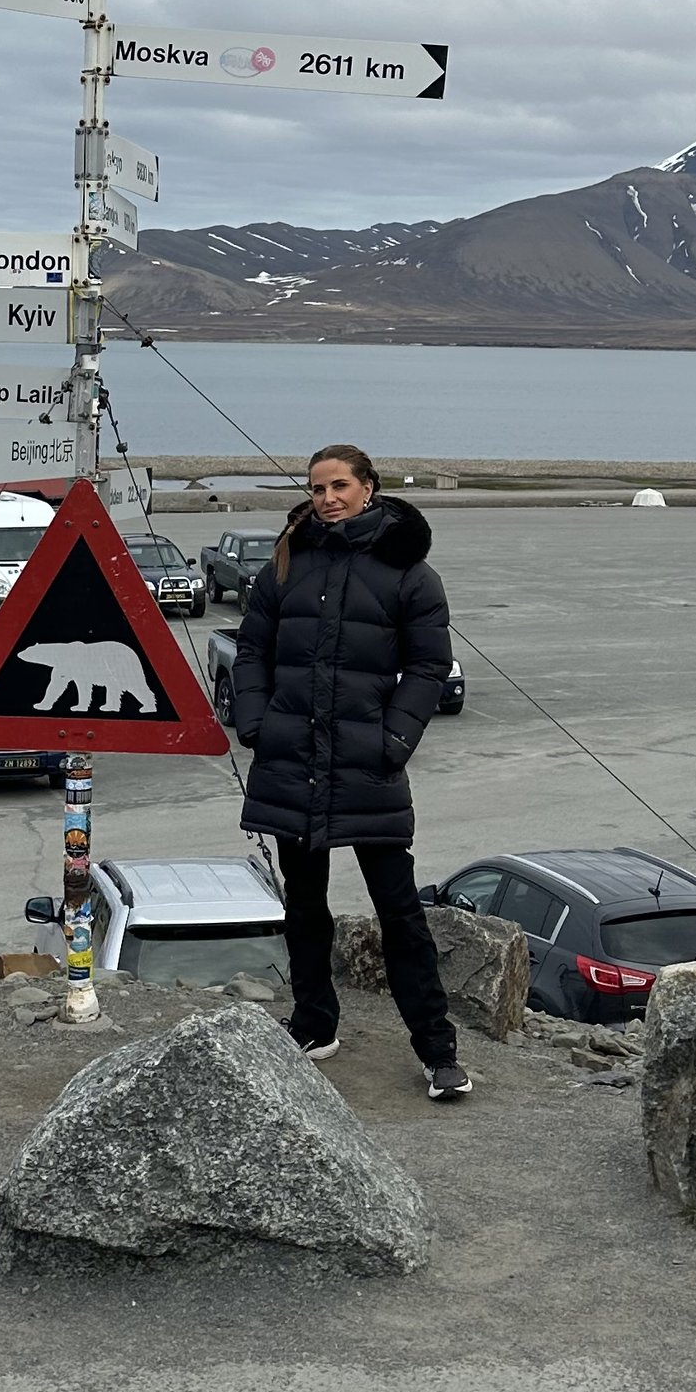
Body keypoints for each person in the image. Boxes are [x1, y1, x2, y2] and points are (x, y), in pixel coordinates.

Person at [226, 441, 470, 1100]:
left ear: (369, 487)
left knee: (399, 912)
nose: (327, 497)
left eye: (339, 485)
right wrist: (256, 721)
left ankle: (438, 1051)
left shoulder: (409, 572)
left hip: (368, 766)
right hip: (291, 760)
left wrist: (395, 737)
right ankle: (314, 1024)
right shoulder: (287, 561)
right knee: (304, 907)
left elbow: (427, 666)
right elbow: (251, 647)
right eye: (317, 487)